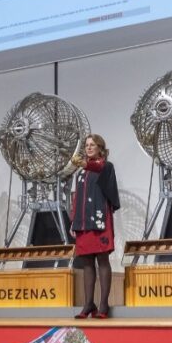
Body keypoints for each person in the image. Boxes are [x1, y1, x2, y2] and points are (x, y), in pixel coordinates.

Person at [70, 134, 120, 319]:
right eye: (87, 145)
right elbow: (76, 198)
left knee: (103, 261)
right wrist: (73, 220)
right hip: (83, 222)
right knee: (87, 264)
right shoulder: (81, 172)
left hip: (100, 221)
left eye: (92, 145)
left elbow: (98, 167)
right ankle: (88, 304)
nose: (89, 147)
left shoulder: (106, 167)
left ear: (100, 147)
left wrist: (84, 164)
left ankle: (103, 304)